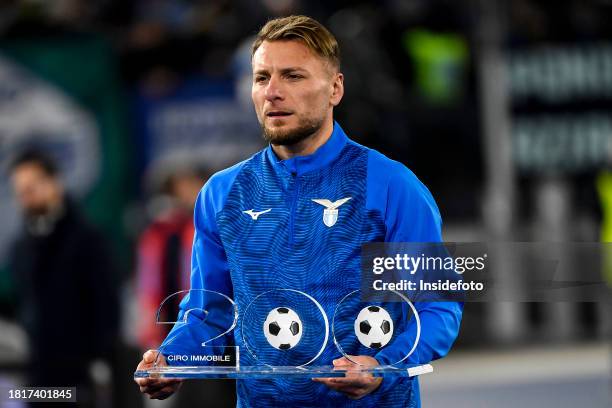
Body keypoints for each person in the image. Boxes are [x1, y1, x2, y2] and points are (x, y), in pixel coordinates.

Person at [135, 15, 462, 407]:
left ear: (335, 89)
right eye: (261, 78)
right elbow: (210, 312)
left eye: (293, 76)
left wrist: (381, 365)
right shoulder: (222, 194)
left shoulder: (392, 186)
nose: (273, 92)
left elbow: (437, 308)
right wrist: (173, 360)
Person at [8, 149, 119, 407]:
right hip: (37, 374)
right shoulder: (21, 247)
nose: (26, 197)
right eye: (20, 190)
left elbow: (105, 306)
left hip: (79, 375)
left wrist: (99, 361)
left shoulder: (88, 240)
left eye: (32, 187)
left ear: (54, 182)